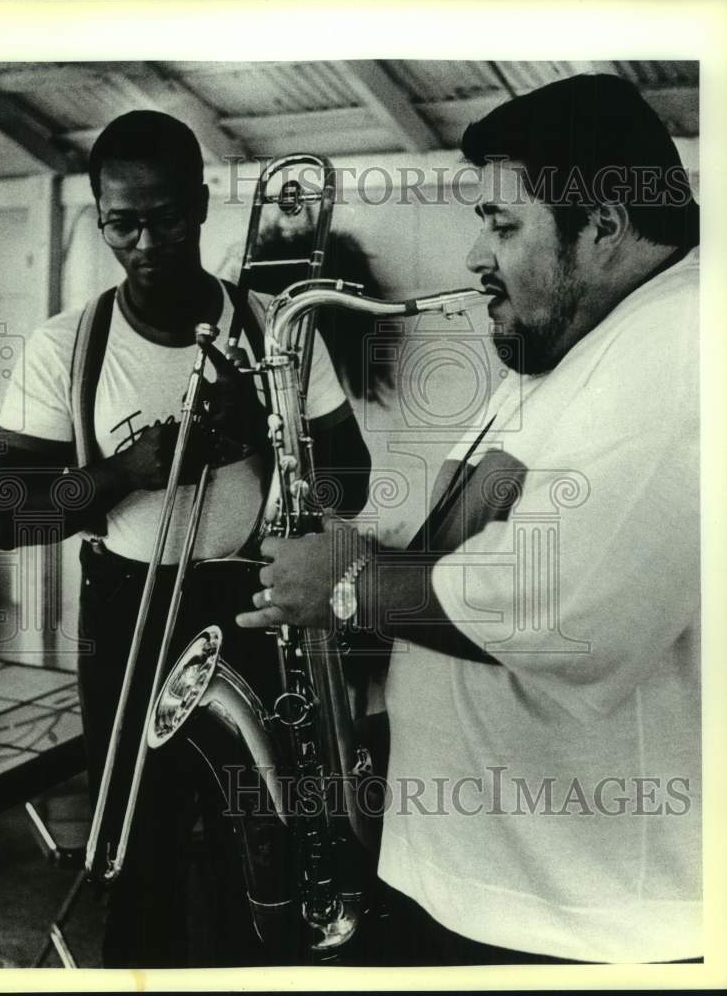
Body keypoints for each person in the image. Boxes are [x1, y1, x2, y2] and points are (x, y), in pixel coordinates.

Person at [235, 74, 701, 965]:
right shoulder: (568, 345)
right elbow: (472, 539)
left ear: (604, 223)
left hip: (583, 921)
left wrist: (347, 585)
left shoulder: (682, 344)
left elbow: (570, 607)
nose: (475, 260)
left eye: (502, 224)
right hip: (483, 880)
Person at [0, 110, 371, 967]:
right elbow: (8, 517)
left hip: (253, 602)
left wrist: (267, 423)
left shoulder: (280, 331)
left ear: (201, 205)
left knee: (261, 838)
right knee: (139, 850)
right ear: (98, 216)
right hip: (125, 612)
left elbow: (352, 484)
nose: (147, 241)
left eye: (166, 217)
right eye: (123, 222)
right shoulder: (65, 347)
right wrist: (126, 472)